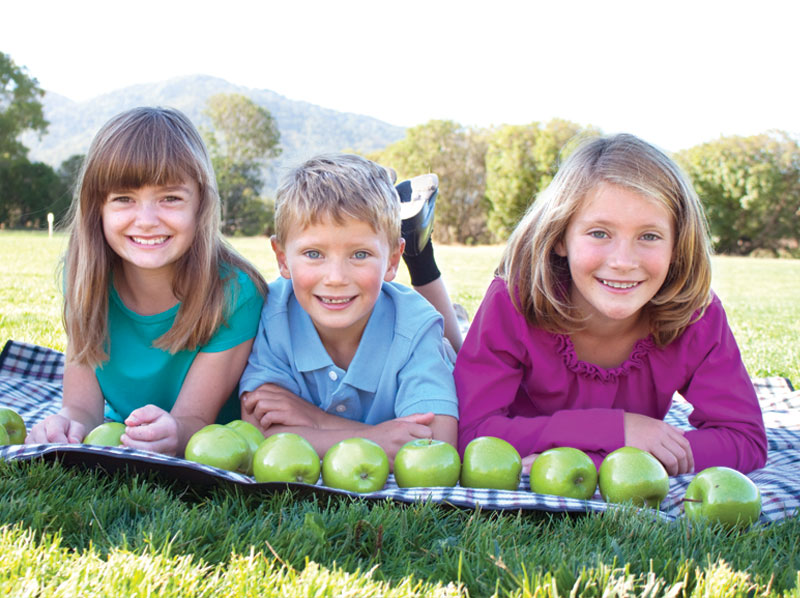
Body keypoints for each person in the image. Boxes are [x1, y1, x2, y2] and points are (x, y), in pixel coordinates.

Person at [454, 133, 767, 476]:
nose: (622, 261)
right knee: (446, 342)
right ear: (560, 237)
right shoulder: (513, 299)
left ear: (677, 245)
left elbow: (745, 439)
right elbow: (471, 433)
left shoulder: (696, 315)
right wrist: (617, 430)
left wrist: (609, 461)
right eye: (599, 233)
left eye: (649, 236)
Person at [26, 107, 267, 456]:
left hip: (211, 438)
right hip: (125, 430)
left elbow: (194, 421)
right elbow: (82, 409)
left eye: (170, 198)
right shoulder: (82, 280)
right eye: (124, 199)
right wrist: (67, 424)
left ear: (201, 205)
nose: (147, 220)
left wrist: (174, 432)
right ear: (98, 209)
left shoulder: (234, 293)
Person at [239, 153, 459, 464]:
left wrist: (316, 422)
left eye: (360, 254)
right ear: (282, 258)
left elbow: (435, 446)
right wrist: (377, 438)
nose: (336, 278)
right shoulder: (275, 312)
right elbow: (259, 430)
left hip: (430, 334)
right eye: (314, 253)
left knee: (459, 353)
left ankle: (421, 252)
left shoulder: (414, 325)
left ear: (393, 261)